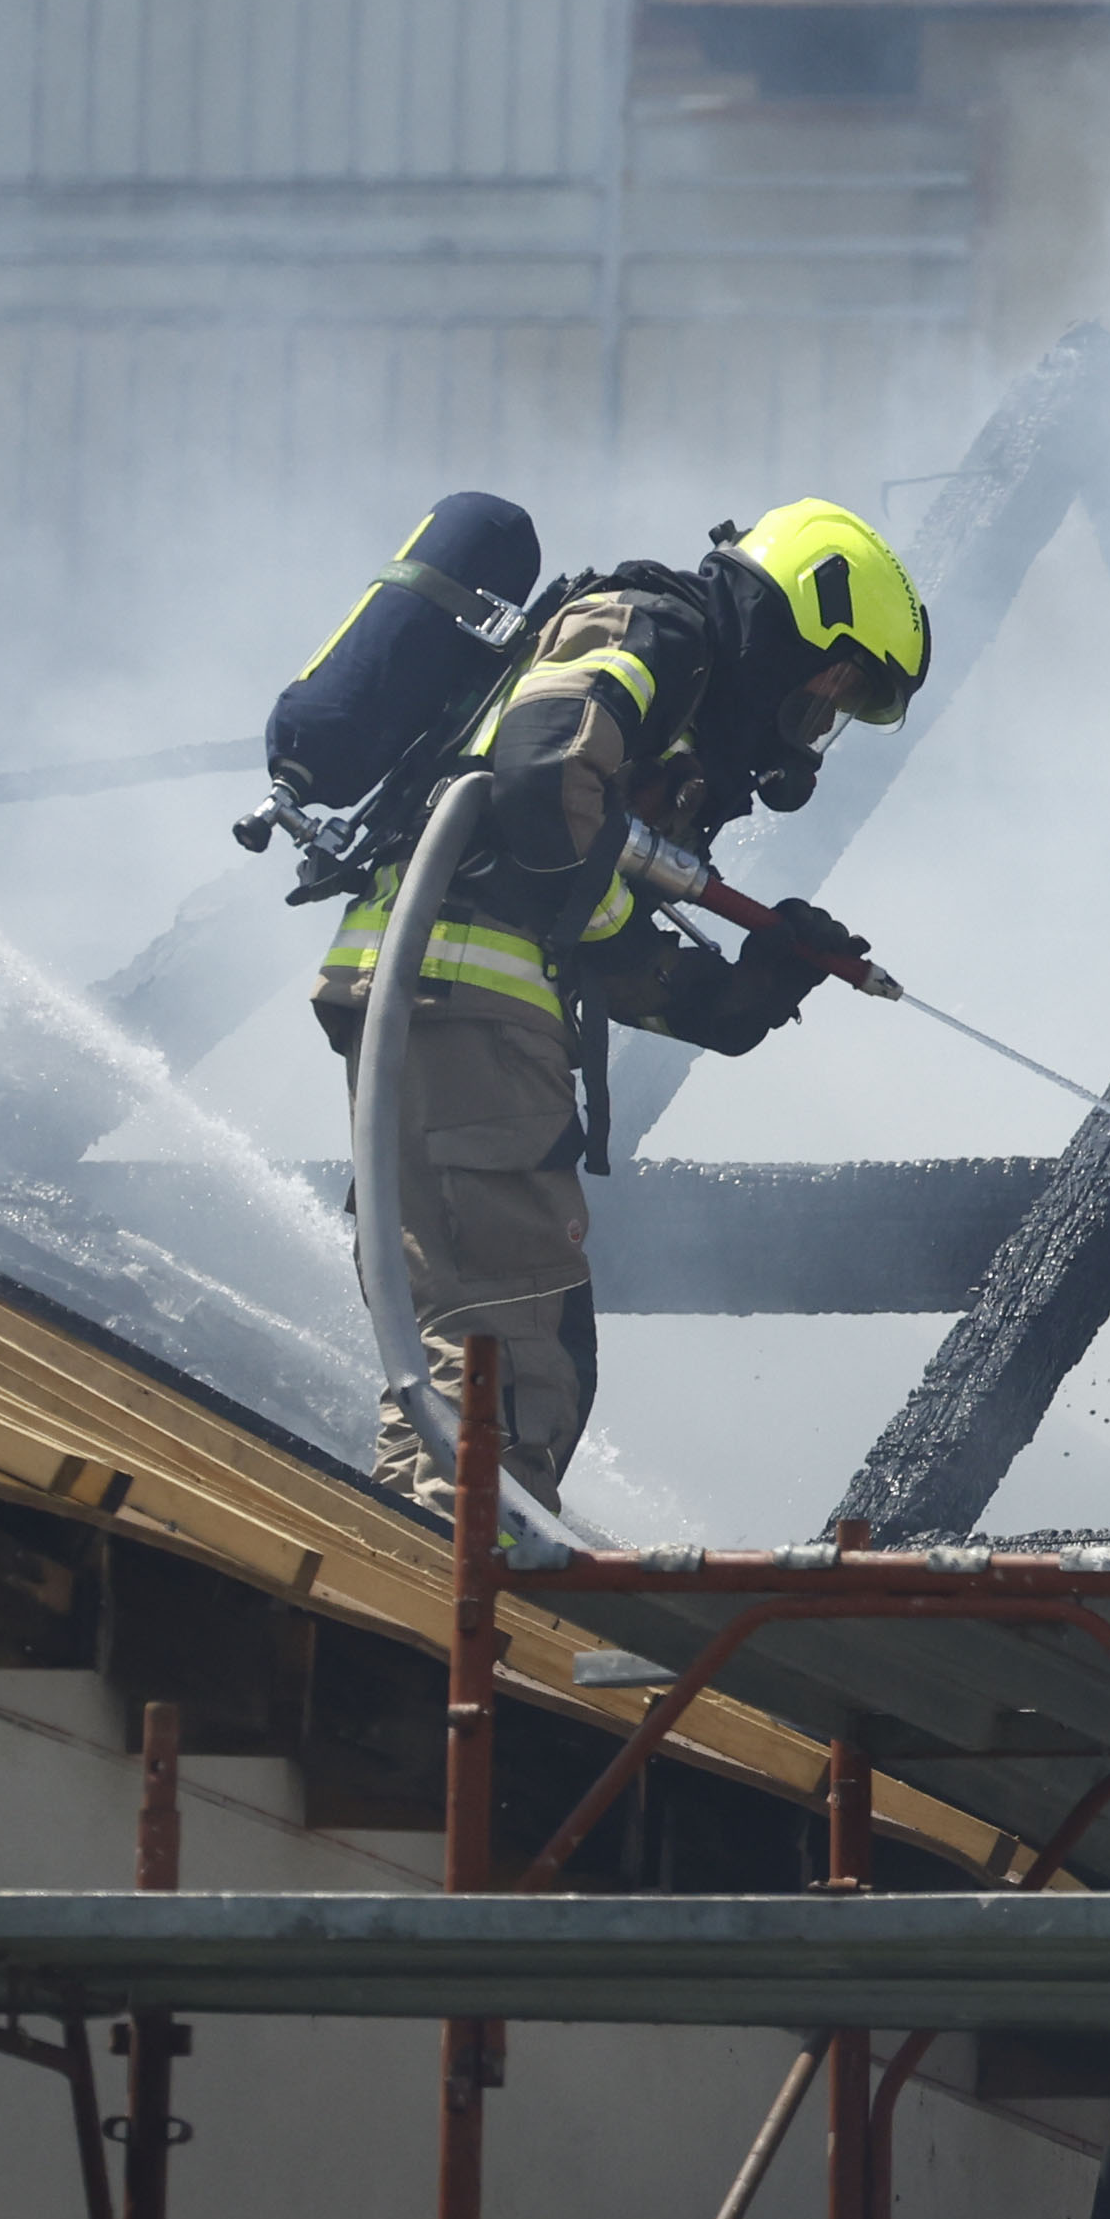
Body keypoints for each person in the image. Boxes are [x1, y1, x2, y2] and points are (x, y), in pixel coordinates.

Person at [310, 499, 928, 1515]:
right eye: (837, 681)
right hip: (467, 997)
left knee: (510, 1337)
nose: (818, 717)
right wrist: (626, 905)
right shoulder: (657, 629)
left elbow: (595, 925)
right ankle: (440, 1608)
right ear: (804, 616)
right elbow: (546, 785)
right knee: (511, 1354)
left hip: (457, 1003)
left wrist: (748, 991)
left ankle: (423, 1566)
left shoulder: (684, 716)